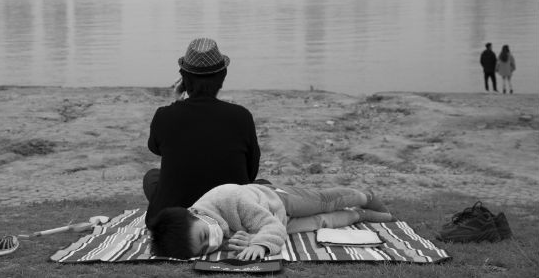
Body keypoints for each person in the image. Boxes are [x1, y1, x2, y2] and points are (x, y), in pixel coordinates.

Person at [143, 38, 261, 227]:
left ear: (184, 79)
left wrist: (178, 101)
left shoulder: (165, 116)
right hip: (231, 215)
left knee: (152, 178)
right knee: (263, 186)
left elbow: (156, 147)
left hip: (175, 216)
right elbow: (250, 173)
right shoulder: (241, 116)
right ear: (222, 77)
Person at [149, 182, 393, 260]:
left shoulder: (229, 199)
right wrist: (245, 240)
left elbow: (270, 227)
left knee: (322, 202)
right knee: (322, 222)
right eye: (204, 248)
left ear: (196, 214)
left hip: (277, 201)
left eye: (204, 236)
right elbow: (261, 231)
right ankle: (363, 215)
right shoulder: (213, 229)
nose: (213, 243)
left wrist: (260, 245)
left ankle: (366, 196)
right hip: (275, 222)